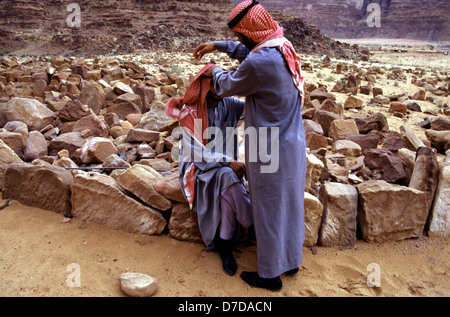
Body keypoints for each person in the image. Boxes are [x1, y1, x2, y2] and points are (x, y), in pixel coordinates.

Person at [193, 0, 307, 291]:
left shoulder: (260, 63)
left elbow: (227, 85)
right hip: (292, 144)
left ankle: (269, 276)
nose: (240, 41)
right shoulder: (280, 45)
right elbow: (249, 51)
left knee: (268, 209)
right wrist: (217, 45)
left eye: (240, 35)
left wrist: (212, 70)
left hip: (269, 149)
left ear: (249, 32)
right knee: (289, 206)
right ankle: (290, 261)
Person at [166, 64, 253, 276]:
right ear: (204, 88)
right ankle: (252, 223)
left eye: (224, 87)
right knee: (228, 174)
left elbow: (256, 107)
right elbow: (197, 153)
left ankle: (224, 246)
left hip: (224, 169)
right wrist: (227, 161)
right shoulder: (190, 113)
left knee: (227, 180)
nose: (220, 92)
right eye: (216, 88)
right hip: (198, 169)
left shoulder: (229, 104)